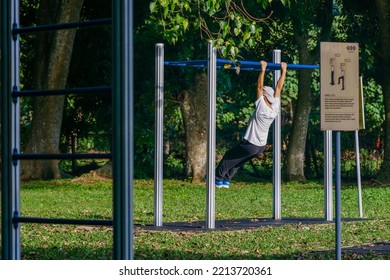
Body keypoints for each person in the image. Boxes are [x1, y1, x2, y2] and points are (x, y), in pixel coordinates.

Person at [215, 60, 287, 188]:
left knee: (228, 156)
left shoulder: (261, 108)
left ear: (264, 97)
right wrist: (284, 70)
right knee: (238, 161)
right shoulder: (275, 107)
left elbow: (259, 87)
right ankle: (226, 180)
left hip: (251, 143)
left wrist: (263, 69)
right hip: (260, 147)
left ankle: (217, 178)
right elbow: (279, 87)